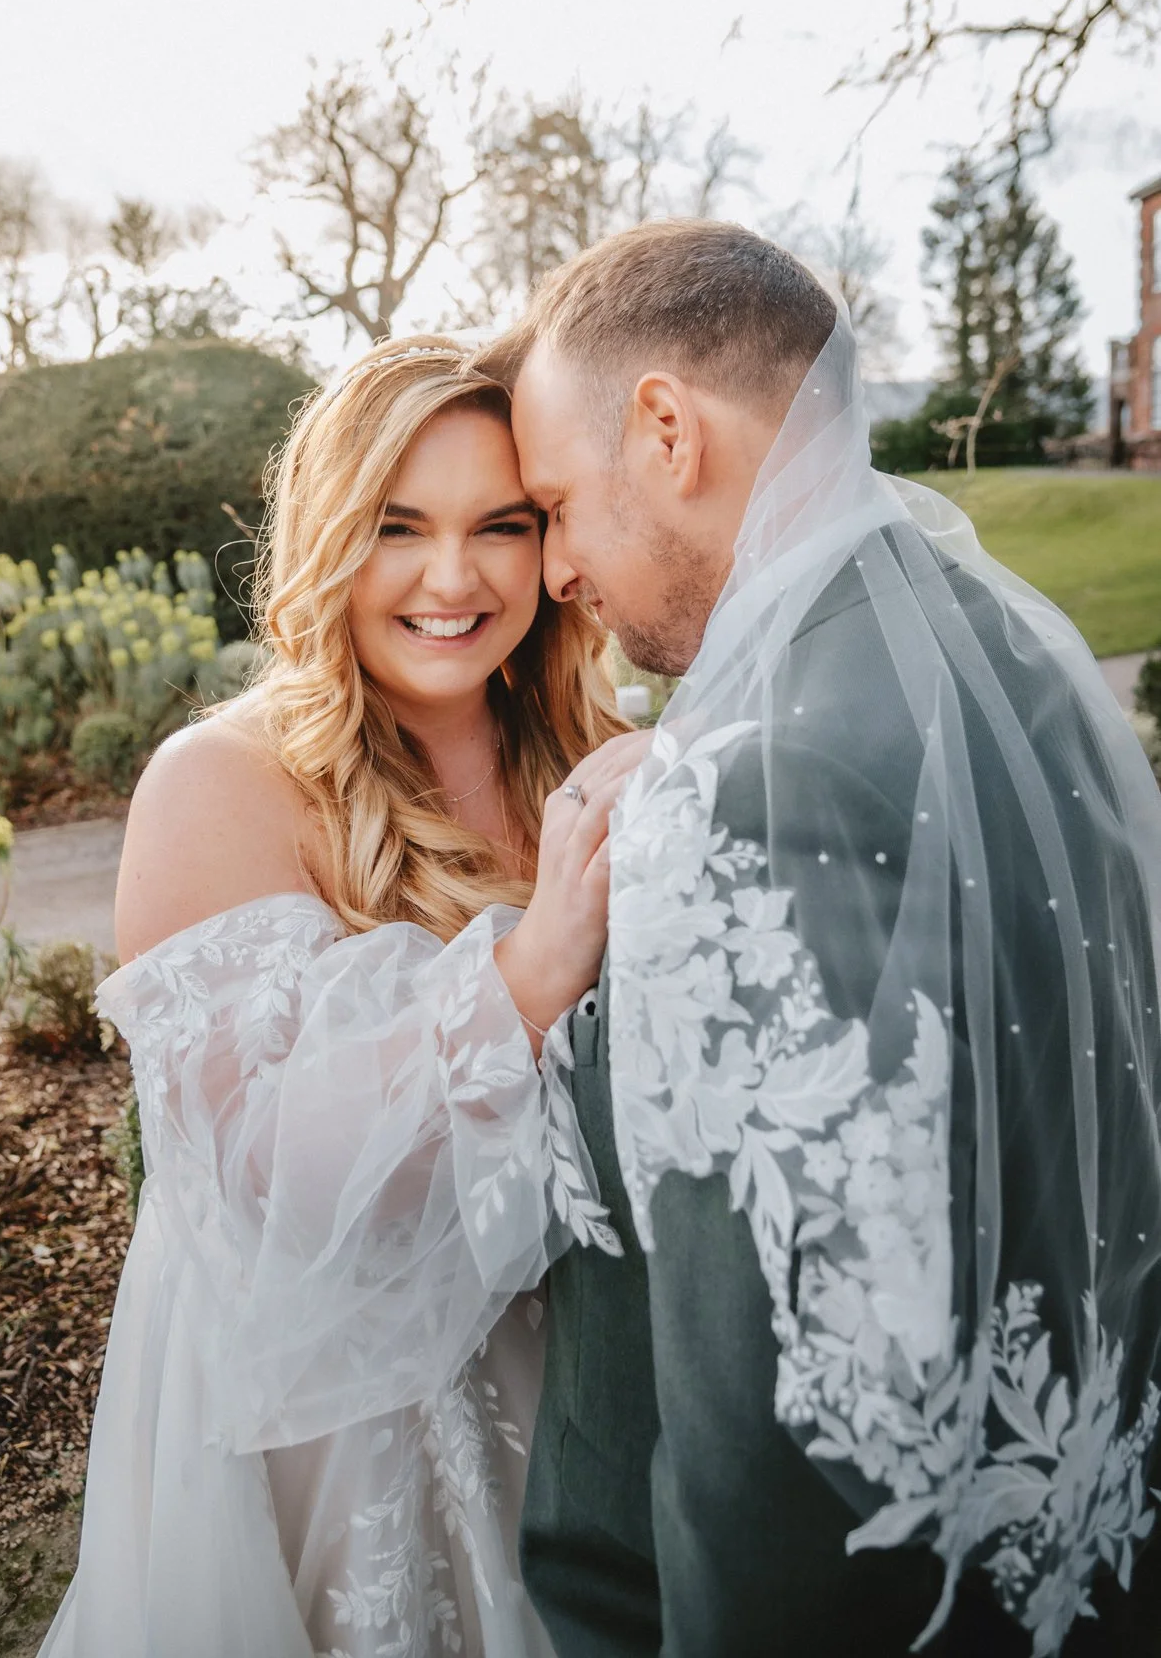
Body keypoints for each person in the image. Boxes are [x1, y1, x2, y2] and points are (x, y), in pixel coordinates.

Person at [495, 220, 1161, 1657]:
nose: (553, 566)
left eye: (554, 500)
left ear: (665, 431)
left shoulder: (735, 791)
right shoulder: (1014, 647)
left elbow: (762, 1444)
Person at [38, 336, 647, 1658]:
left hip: (585, 1389)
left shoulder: (594, 758)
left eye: (501, 525)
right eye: (395, 527)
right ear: (326, 538)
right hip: (343, 1432)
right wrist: (533, 970)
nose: (453, 577)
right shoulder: (220, 784)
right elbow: (260, 1170)